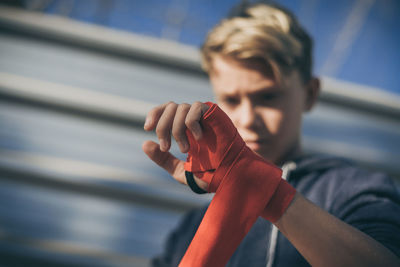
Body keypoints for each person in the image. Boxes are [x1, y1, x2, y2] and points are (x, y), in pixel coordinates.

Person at [142, 2, 400, 266]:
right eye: (231, 100)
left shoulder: (353, 188)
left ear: (310, 94)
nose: (249, 119)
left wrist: (264, 189)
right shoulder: (193, 226)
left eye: (267, 97)